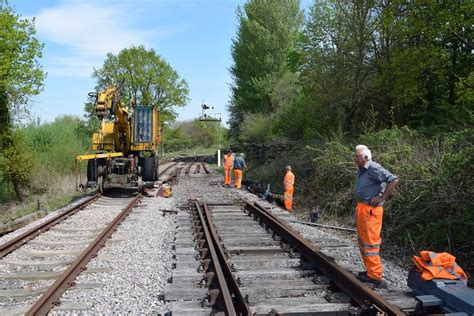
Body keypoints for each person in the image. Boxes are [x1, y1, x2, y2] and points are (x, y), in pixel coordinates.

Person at [353, 144, 398, 286]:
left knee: (370, 243)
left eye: (357, 156)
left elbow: (393, 179)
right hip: (363, 209)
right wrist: (380, 192)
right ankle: (370, 271)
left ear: (366, 157)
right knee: (363, 241)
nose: (355, 158)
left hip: (371, 211)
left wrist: (381, 197)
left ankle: (375, 275)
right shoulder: (363, 169)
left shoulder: (373, 167)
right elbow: (382, 182)